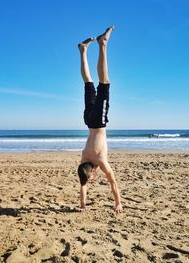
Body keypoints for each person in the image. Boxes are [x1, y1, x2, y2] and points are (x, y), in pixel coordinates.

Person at [77, 26, 123, 213]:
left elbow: (113, 181)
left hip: (98, 121)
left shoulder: (99, 160)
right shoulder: (83, 159)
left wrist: (118, 203)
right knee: (88, 83)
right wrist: (81, 205)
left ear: (92, 172)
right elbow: (83, 184)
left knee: (104, 84)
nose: (91, 180)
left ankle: (102, 44)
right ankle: (83, 50)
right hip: (88, 121)